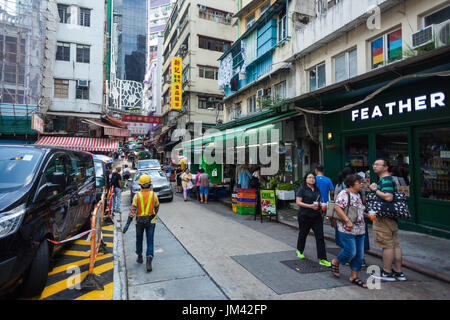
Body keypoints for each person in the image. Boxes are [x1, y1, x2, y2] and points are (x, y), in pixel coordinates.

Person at [369, 158, 406, 282]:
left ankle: (387, 272)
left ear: (385, 167)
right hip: (392, 218)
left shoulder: (385, 180)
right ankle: (398, 271)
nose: (374, 166)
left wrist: (375, 190)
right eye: (374, 164)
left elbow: (388, 197)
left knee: (387, 245)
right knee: (395, 244)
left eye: (378, 164)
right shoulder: (388, 179)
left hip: (384, 218)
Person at [330, 174, 368, 288]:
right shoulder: (344, 193)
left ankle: (354, 276)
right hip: (347, 228)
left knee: (359, 255)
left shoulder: (358, 194)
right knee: (351, 251)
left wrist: (366, 215)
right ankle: (336, 261)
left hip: (360, 229)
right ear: (351, 184)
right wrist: (347, 220)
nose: (361, 184)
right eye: (359, 182)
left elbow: (357, 211)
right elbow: (337, 207)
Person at [296, 173, 331, 267]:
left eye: (313, 178)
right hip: (304, 216)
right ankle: (299, 250)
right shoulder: (302, 189)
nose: (311, 179)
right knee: (303, 234)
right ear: (306, 179)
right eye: (309, 177)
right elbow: (298, 202)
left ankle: (323, 259)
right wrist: (310, 206)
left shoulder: (317, 189)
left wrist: (322, 205)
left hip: (316, 216)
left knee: (320, 237)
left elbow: (319, 201)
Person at [129, 174, 159, 272]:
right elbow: (157, 206)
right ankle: (149, 261)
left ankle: (140, 256)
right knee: (150, 240)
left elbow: (133, 208)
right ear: (150, 184)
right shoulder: (153, 195)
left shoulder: (137, 196)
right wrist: (153, 214)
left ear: (140, 185)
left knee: (139, 239)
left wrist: (132, 212)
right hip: (151, 220)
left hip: (139, 221)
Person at [332, 167, 355, 248]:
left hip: (342, 212)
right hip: (354, 213)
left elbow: (335, 199)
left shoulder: (339, 185)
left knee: (342, 230)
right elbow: (363, 199)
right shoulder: (356, 185)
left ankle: (345, 249)